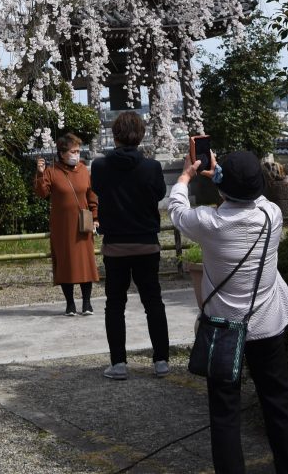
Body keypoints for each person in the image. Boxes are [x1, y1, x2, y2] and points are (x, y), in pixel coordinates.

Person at [168, 149, 288, 474]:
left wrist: (185, 177)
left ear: (223, 187)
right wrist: (228, 180)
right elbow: (252, 197)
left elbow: (177, 210)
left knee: (224, 412)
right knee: (279, 403)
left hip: (223, 329)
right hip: (267, 324)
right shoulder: (272, 215)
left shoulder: (209, 223)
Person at [89, 110, 170, 378]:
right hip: (147, 243)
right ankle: (161, 361)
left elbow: (98, 190)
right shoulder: (152, 167)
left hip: (116, 246)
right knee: (153, 302)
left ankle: (119, 363)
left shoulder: (100, 167)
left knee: (115, 305)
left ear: (115, 135)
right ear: (141, 135)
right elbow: (159, 193)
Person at [34, 132, 99, 315]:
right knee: (65, 264)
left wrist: (95, 218)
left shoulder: (84, 170)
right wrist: (40, 174)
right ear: (62, 153)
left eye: (78, 151)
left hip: (82, 224)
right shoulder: (52, 171)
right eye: (73, 151)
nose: (76, 154)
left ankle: (87, 303)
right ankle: (70, 304)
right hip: (62, 226)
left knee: (85, 262)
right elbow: (42, 193)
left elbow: (92, 196)